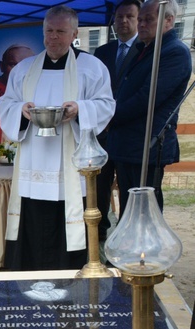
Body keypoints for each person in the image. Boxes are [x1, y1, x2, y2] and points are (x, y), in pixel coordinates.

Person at [0, 6, 115, 271]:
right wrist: (22, 110)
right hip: (33, 160)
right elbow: (7, 103)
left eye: (60, 31)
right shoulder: (24, 69)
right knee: (35, 219)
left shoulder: (92, 67)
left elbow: (106, 104)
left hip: (71, 163)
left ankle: (71, 272)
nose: (53, 37)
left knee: (69, 216)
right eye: (48, 31)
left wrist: (80, 110)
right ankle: (29, 273)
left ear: (74, 33)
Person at [106, 0, 191, 217]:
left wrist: (109, 117)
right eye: (140, 19)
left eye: (148, 20)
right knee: (128, 209)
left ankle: (145, 252)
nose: (141, 24)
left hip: (147, 146)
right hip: (128, 145)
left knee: (145, 213)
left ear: (168, 20)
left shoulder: (174, 52)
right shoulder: (147, 48)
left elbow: (147, 98)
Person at [93, 0, 141, 240]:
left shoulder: (146, 50)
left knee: (127, 188)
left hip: (129, 133)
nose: (123, 21)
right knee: (99, 186)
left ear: (138, 20)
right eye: (119, 16)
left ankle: (124, 238)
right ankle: (99, 233)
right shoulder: (102, 52)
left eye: (129, 17)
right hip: (102, 134)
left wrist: (115, 116)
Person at [0, 44, 34, 150]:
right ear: (1, 66)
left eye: (27, 66)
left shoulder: (37, 93)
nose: (19, 71)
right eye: (13, 65)